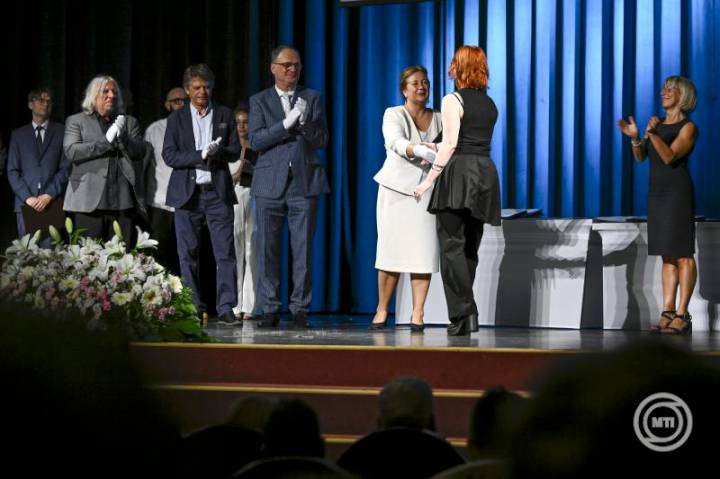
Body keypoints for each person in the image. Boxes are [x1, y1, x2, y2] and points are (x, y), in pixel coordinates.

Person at [414, 45, 500, 336]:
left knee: (451, 246)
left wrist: (428, 180)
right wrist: (434, 145)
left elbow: (452, 145)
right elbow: (465, 139)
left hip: (459, 174)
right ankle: (463, 316)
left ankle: (465, 312)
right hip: (484, 174)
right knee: (469, 249)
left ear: (459, 68)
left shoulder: (453, 99)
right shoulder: (489, 103)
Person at [249, 45, 329, 329]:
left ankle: (300, 309)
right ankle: (269, 308)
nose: (292, 69)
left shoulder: (312, 97)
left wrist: (304, 123)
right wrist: (286, 123)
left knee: (303, 249)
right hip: (269, 183)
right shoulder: (259, 101)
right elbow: (255, 141)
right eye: (286, 65)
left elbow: (322, 140)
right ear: (273, 68)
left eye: (296, 65)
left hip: (304, 183)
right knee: (267, 249)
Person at [618, 76, 698, 335]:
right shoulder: (658, 125)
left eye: (670, 89)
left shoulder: (688, 127)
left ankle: (683, 315)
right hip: (658, 195)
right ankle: (668, 311)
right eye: (663, 88)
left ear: (683, 95)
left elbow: (669, 156)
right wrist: (636, 138)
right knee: (667, 254)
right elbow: (641, 157)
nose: (663, 92)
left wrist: (652, 134)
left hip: (678, 195)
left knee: (683, 254)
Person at [163, 64, 240, 326]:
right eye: (197, 88)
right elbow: (169, 155)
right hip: (188, 195)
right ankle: (193, 306)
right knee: (187, 254)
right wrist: (200, 155)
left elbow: (235, 151)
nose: (202, 92)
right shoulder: (176, 119)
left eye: (206, 87)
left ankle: (226, 307)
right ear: (187, 90)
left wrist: (217, 152)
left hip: (217, 193)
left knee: (225, 252)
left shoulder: (224, 114)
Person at [370, 65, 441, 332]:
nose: (421, 87)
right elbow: (395, 142)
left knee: (423, 253)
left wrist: (439, 151)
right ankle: (382, 308)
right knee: (391, 252)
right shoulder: (394, 114)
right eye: (415, 83)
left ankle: (418, 312)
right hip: (396, 192)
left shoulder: (439, 117)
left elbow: (450, 145)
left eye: (425, 83)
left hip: (426, 194)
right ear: (404, 89)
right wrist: (418, 149)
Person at [63, 75, 147, 243]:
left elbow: (140, 151)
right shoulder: (76, 121)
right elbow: (72, 152)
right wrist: (105, 141)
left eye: (114, 92)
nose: (111, 95)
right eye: (105, 91)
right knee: (88, 256)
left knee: (121, 256)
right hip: (88, 204)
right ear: (93, 95)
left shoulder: (129, 122)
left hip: (123, 203)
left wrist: (123, 138)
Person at [7, 87, 70, 238]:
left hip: (52, 202)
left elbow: (66, 168)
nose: (46, 104)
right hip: (26, 204)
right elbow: (12, 171)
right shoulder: (18, 135)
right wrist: (28, 198)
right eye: (41, 100)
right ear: (30, 104)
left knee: (52, 251)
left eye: (49, 101)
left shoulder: (62, 131)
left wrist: (49, 194)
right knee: (27, 250)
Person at [143, 86, 188, 275]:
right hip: (160, 203)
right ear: (167, 105)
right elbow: (145, 165)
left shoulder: (197, 129)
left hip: (187, 203)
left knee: (185, 255)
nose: (181, 104)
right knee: (158, 256)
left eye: (185, 101)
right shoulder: (155, 129)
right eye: (176, 101)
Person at [229, 102, 258, 321]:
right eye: (238, 122)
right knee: (234, 249)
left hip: (252, 196)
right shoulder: (228, 147)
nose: (241, 126)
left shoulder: (257, 146)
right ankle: (235, 304)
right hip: (233, 198)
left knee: (251, 249)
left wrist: (249, 168)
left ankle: (250, 304)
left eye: (245, 122)